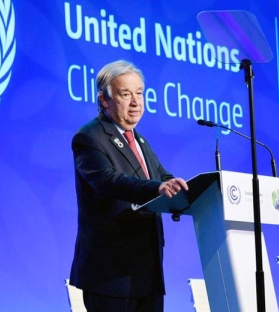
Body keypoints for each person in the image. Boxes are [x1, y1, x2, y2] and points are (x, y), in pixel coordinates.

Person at [69, 59, 189, 312]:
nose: (136, 102)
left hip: (147, 273)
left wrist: (181, 188)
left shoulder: (140, 140)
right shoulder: (89, 137)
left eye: (139, 93)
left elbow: (161, 176)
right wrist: (156, 189)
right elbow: (106, 180)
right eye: (126, 94)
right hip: (110, 274)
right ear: (104, 99)